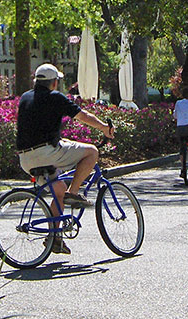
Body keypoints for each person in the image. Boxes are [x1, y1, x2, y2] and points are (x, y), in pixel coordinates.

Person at [16, 63, 115, 255]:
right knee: (92, 152)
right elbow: (82, 116)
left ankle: (55, 238)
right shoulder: (55, 97)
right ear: (54, 83)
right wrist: (104, 127)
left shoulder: (25, 97)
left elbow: (39, 130)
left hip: (26, 158)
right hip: (47, 153)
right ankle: (75, 192)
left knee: (58, 191)